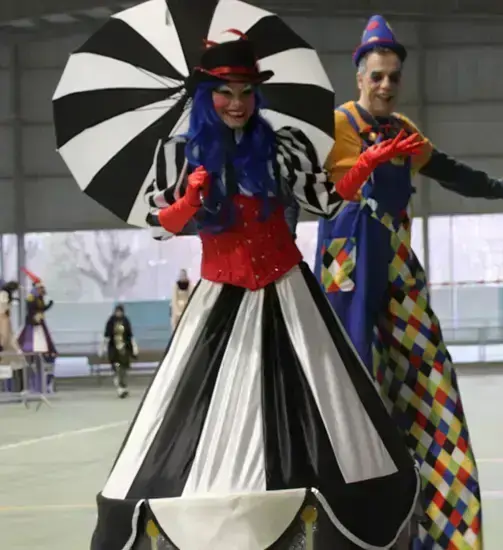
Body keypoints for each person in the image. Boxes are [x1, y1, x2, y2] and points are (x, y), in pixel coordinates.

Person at [89, 34, 424, 550]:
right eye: (226, 92)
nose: (238, 103)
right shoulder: (179, 152)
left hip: (289, 295)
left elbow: (325, 200)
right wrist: (189, 202)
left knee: (327, 417)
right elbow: (159, 222)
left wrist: (366, 164)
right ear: (205, 94)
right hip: (219, 300)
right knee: (205, 424)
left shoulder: (282, 144)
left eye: (246, 91)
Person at [315, 15, 503, 548]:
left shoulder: (405, 132)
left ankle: (443, 527)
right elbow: (306, 183)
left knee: (429, 382)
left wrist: (500, 191)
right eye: (376, 76)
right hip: (348, 270)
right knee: (353, 387)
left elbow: (450, 171)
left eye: (393, 76)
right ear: (358, 77)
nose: (385, 85)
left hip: (397, 269)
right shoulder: (335, 125)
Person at [17, 268, 56, 393]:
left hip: (40, 326)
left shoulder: (38, 298)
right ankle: (30, 385)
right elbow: (32, 311)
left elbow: (41, 309)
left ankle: (43, 384)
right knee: (30, 353)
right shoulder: (31, 298)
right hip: (32, 326)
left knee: (44, 353)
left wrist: (48, 306)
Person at [100, 304, 137, 398]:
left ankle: (123, 386)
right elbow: (106, 336)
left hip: (124, 349)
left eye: (120, 311)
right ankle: (120, 387)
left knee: (123, 369)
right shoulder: (111, 321)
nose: (118, 313)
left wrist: (135, 347)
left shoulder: (126, 320)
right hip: (114, 348)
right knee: (117, 367)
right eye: (117, 311)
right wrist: (102, 348)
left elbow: (130, 335)